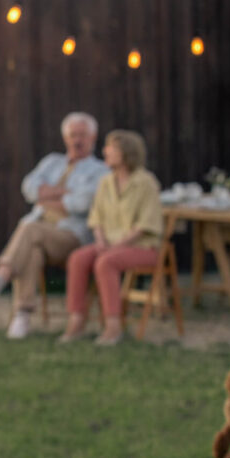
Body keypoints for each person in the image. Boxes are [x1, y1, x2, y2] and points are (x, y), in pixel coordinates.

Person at [0, 112, 108, 338]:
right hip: (40, 232)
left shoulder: (100, 170)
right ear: (65, 138)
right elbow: (29, 187)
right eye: (73, 135)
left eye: (83, 135)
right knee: (32, 250)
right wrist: (62, 195)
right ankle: (22, 317)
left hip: (72, 236)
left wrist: (47, 196)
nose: (78, 140)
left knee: (28, 229)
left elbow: (83, 203)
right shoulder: (52, 162)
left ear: (93, 137)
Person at [59, 130, 164, 346]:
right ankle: (76, 320)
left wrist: (116, 245)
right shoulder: (105, 182)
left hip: (142, 247)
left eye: (112, 148)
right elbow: (96, 217)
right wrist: (100, 241)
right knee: (78, 258)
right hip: (108, 245)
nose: (105, 152)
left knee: (105, 262)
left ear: (126, 153)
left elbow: (145, 225)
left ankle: (113, 327)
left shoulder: (145, 182)